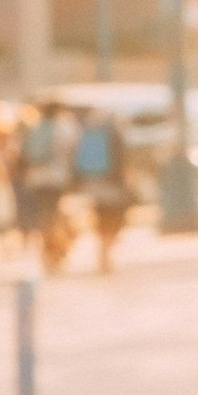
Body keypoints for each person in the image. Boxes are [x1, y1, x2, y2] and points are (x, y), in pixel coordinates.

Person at [69, 105, 132, 272]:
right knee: (116, 216)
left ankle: (102, 252)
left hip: (92, 181)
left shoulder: (85, 131)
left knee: (100, 215)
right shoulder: (114, 132)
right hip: (112, 182)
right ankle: (106, 251)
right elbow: (120, 159)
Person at [14, 101, 75, 270]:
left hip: (36, 179)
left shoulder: (35, 128)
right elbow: (72, 152)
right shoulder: (64, 128)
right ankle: (56, 252)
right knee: (54, 214)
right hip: (57, 178)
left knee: (44, 216)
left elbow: (24, 154)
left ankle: (47, 253)